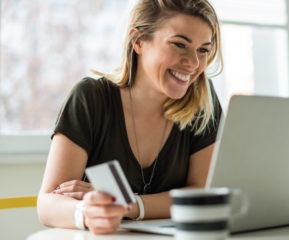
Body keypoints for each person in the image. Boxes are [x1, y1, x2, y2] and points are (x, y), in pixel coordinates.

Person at [37, 0, 223, 235]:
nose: (194, 63)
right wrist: (87, 211)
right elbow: (47, 205)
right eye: (179, 44)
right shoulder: (90, 98)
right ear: (137, 41)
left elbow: (202, 194)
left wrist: (131, 204)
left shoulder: (203, 105)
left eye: (203, 50)